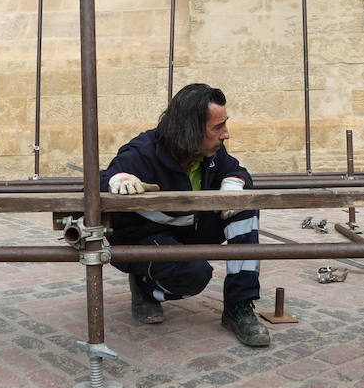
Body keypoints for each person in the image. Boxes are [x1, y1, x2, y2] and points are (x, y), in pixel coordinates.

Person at [99, 83, 269, 347]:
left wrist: (234, 183)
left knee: (244, 205)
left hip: (191, 228)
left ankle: (239, 306)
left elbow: (237, 170)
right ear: (191, 130)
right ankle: (146, 289)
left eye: (224, 124)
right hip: (148, 238)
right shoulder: (143, 151)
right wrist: (117, 180)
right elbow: (102, 180)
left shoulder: (211, 152)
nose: (226, 134)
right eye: (217, 127)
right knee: (194, 275)